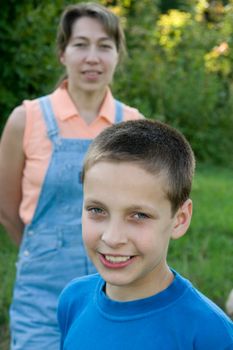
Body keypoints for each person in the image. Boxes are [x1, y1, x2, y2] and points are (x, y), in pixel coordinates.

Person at [0, 3, 143, 349]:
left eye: (104, 46)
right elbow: (7, 208)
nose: (92, 57)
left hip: (114, 292)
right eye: (80, 44)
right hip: (41, 291)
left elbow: (143, 210)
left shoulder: (135, 126)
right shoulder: (26, 119)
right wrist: (46, 249)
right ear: (63, 53)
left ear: (117, 56)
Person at [58, 119, 233, 349]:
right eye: (97, 210)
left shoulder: (208, 332)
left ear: (180, 220)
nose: (112, 237)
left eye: (138, 215)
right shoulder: (73, 300)